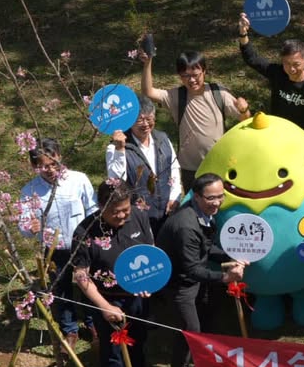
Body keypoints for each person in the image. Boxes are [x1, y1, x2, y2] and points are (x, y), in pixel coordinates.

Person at [72, 180, 163, 367]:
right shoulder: (85, 231)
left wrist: (148, 282)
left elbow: (149, 250)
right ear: (101, 207)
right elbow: (81, 275)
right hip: (108, 300)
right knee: (112, 350)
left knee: (139, 337)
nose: (122, 216)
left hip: (137, 296)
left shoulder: (139, 218)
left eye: (126, 210)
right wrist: (104, 306)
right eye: (116, 213)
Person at [156, 174, 245, 367]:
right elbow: (192, 269)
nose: (217, 202)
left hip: (193, 276)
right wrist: (225, 277)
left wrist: (229, 256)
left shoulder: (204, 214)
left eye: (221, 196)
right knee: (190, 328)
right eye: (211, 198)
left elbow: (205, 249)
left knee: (207, 315)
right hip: (179, 283)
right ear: (196, 197)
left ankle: (199, 357)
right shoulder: (186, 226)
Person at [18, 138, 97, 348]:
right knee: (60, 290)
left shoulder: (78, 180)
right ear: (35, 166)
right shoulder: (29, 191)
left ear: (60, 157)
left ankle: (92, 323)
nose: (50, 170)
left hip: (81, 244)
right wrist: (30, 227)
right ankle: (69, 329)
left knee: (87, 284)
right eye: (44, 166)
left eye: (54, 163)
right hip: (54, 249)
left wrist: (92, 236)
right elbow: (24, 225)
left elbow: (92, 210)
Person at [140, 49, 250, 192]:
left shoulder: (218, 93)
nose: (191, 80)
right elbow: (148, 92)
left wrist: (243, 109)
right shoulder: (176, 96)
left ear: (204, 71)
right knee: (194, 207)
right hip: (190, 168)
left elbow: (245, 119)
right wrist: (147, 63)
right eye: (185, 75)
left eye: (195, 75)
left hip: (218, 163)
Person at [238, 13, 304, 136]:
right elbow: (251, 58)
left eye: (296, 64)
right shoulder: (278, 73)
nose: (291, 69)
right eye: (286, 63)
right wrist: (242, 32)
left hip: (302, 140)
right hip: (277, 135)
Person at [106, 98, 182, 237]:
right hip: (138, 215)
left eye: (149, 118)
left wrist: (175, 196)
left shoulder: (162, 138)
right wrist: (120, 150)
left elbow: (174, 168)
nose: (146, 124)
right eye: (140, 120)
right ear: (129, 122)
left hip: (167, 209)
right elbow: (116, 180)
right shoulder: (115, 147)